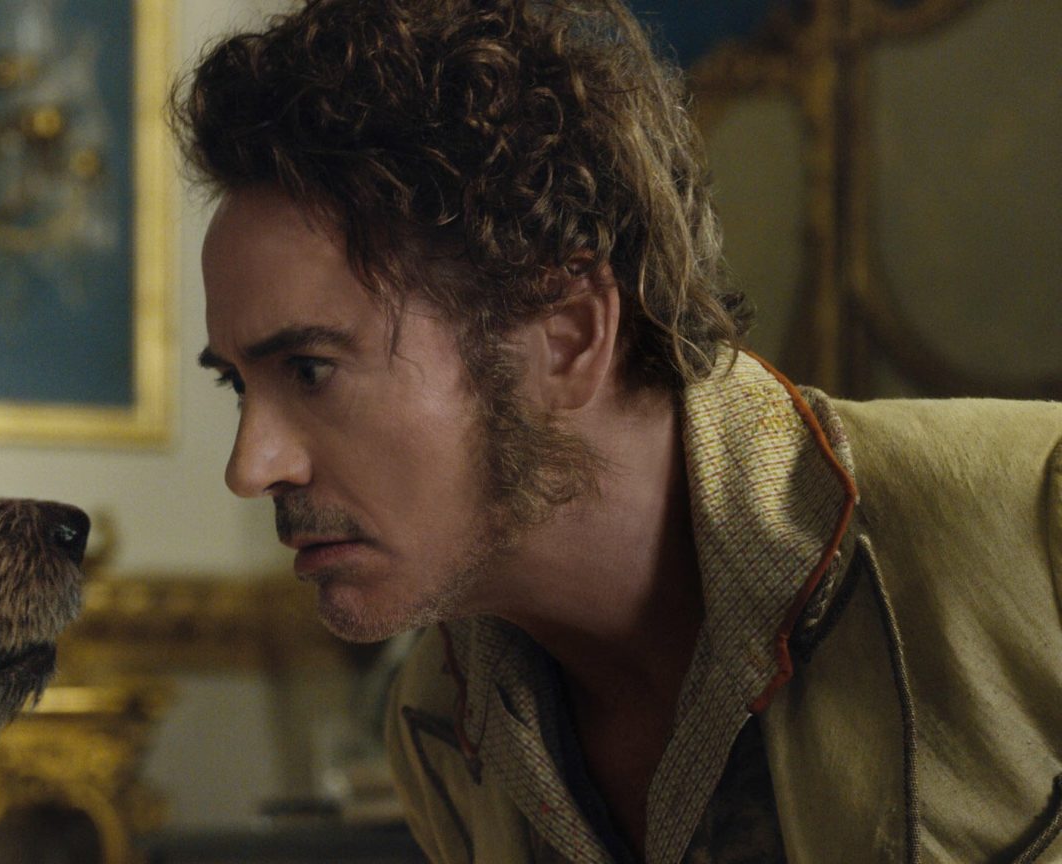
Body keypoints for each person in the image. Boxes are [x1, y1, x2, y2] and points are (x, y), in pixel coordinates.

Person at [173, 1, 1062, 861]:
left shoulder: (1031, 523)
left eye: (311, 370)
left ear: (567, 337)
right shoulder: (440, 724)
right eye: (238, 386)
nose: (252, 467)